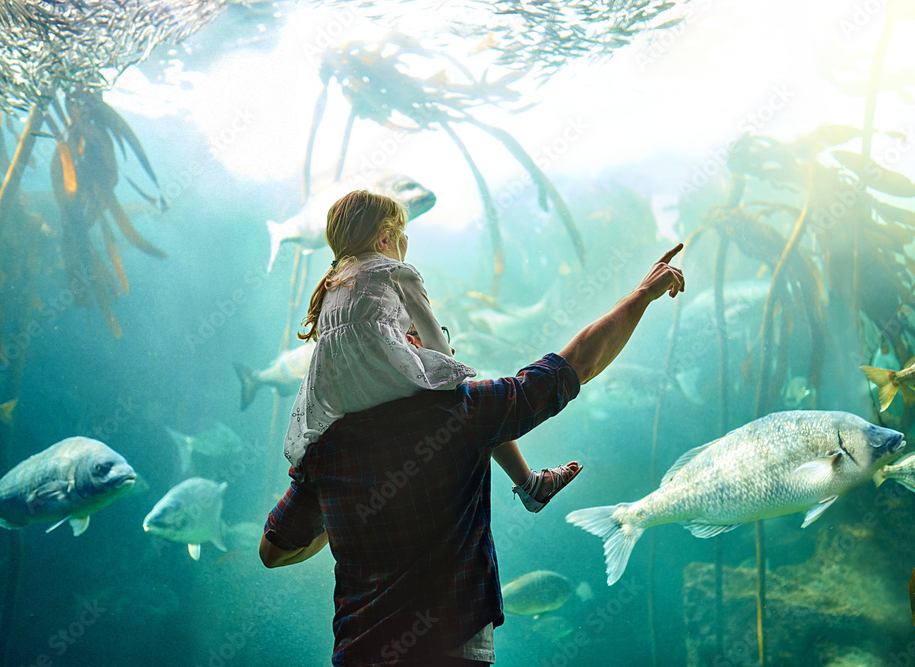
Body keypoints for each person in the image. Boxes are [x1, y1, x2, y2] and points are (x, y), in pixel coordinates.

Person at [260, 232, 685, 667]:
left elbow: (273, 551)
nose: (448, 349)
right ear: (403, 346)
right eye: (430, 335)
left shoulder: (328, 449)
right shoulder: (461, 414)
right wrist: (641, 296)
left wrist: (342, 515)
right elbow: (577, 364)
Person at [282, 189, 582, 513]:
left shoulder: (333, 283)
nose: (405, 240)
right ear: (384, 239)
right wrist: (443, 360)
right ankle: (529, 484)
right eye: (401, 234)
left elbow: (362, 342)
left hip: (341, 401)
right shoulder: (396, 271)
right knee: (473, 402)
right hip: (387, 389)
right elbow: (437, 344)